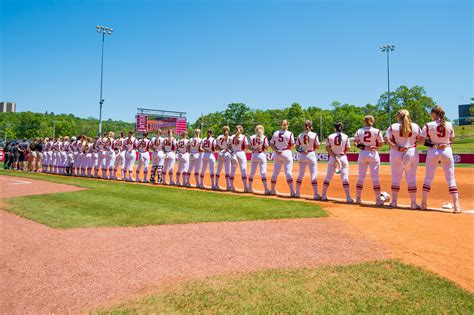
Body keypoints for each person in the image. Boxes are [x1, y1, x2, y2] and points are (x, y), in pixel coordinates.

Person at [419, 105, 460, 213]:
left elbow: (422, 141)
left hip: (433, 151)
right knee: (450, 179)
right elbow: (451, 139)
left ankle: (423, 203)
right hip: (447, 150)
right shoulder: (449, 124)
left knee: (428, 178)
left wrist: (435, 145)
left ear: (434, 113)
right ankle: (456, 206)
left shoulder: (428, 125)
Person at [384, 109, 421, 209]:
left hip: (396, 153)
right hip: (411, 152)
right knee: (411, 178)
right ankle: (413, 203)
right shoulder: (415, 126)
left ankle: (394, 202)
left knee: (396, 178)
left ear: (398, 116)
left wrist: (398, 147)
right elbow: (420, 139)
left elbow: (387, 140)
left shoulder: (393, 127)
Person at [354, 116, 384, 205]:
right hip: (373, 154)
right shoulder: (377, 131)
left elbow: (356, 143)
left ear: (364, 121)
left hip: (363, 153)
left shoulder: (359, 131)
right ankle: (378, 200)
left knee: (360, 177)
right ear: (373, 121)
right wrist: (374, 146)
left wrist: (365, 147)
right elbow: (381, 143)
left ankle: (358, 199)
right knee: (375, 178)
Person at [321, 122, 354, 203]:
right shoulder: (346, 136)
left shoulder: (330, 136)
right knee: (345, 178)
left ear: (334, 128)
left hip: (333, 158)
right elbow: (348, 149)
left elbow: (327, 148)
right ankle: (348, 197)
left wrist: (334, 156)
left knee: (328, 177)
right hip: (342, 157)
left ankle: (323, 196)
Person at [269, 119, 296, 196]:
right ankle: (292, 191)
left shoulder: (276, 133)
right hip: (286, 152)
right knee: (288, 172)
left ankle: (272, 190)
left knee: (275, 173)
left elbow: (271, 144)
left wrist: (277, 150)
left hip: (277, 153)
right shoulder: (290, 133)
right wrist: (287, 150)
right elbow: (293, 145)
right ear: (287, 125)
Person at [295, 120, 320, 199]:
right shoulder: (314, 135)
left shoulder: (300, 135)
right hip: (311, 154)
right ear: (311, 126)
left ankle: (297, 193)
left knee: (300, 175)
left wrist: (302, 150)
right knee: (313, 175)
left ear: (304, 126)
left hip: (302, 155)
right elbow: (318, 146)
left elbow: (296, 147)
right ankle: (316, 194)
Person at [248, 125, 270, 194]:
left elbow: (248, 146)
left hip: (254, 154)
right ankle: (266, 189)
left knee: (252, 172)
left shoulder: (252, 137)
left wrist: (254, 148)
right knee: (263, 172)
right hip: (261, 154)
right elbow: (266, 148)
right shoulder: (264, 137)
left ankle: (250, 187)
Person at [229, 125, 249, 192]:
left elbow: (228, 147)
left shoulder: (231, 137)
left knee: (232, 171)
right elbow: (246, 146)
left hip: (234, 153)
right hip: (241, 153)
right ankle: (246, 187)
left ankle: (231, 186)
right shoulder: (243, 137)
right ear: (241, 130)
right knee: (243, 170)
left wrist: (231, 152)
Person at [215, 126, 232, 190]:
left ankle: (216, 185)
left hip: (220, 153)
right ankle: (228, 186)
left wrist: (221, 149)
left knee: (218, 170)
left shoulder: (219, 137)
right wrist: (226, 149)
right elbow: (230, 147)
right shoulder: (229, 138)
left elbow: (216, 147)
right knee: (227, 170)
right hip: (227, 154)